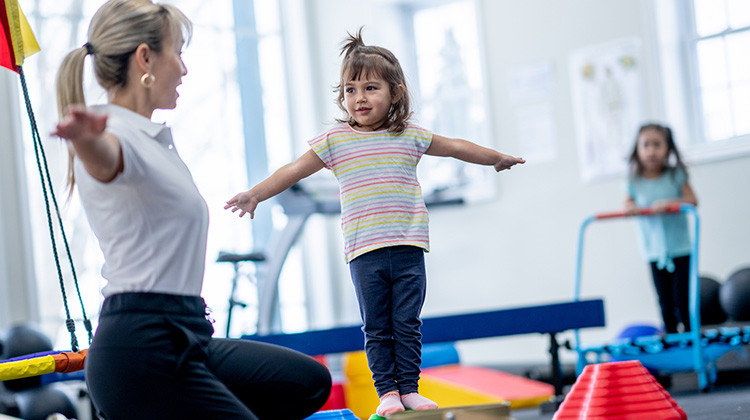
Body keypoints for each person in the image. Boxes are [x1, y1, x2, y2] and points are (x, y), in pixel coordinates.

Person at [225, 28, 525, 417]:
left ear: (395, 93)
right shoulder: (335, 140)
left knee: (407, 322)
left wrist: (495, 157)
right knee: (377, 327)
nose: (359, 98)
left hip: (408, 246)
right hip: (364, 251)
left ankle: (410, 389)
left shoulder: (409, 134)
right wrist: (256, 195)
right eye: (350, 90)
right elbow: (294, 170)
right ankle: (388, 393)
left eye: (370, 88)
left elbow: (456, 147)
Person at [53, 1, 331, 419]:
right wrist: (85, 141)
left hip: (186, 334)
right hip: (141, 348)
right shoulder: (113, 132)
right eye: (177, 52)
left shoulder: (152, 138)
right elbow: (106, 159)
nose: (183, 69)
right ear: (145, 57)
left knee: (306, 382)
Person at [624, 123, 698, 334]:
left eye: (657, 145)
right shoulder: (634, 180)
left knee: (682, 298)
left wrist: (670, 203)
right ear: (638, 150)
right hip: (654, 252)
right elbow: (627, 203)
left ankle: (691, 339)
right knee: (664, 300)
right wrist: (631, 207)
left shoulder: (675, 175)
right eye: (646, 145)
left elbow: (692, 200)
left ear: (667, 149)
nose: (651, 151)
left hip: (680, 249)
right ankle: (672, 338)